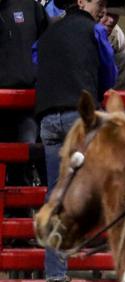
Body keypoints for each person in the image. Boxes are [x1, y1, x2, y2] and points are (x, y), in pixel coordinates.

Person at [34, 0, 117, 282]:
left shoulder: (48, 32)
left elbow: (36, 64)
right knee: (97, 184)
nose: (101, 9)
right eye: (99, 3)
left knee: (55, 193)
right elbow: (110, 74)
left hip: (47, 119)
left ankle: (54, 271)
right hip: (77, 116)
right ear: (83, 3)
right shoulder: (94, 30)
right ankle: (102, 257)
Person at [0, 0, 49, 188]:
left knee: (23, 159)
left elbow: (47, 44)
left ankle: (21, 212)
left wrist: (37, 76)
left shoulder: (30, 7)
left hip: (26, 101)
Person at [100, 2, 125, 90]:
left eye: (116, 15)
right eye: (108, 14)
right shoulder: (84, 30)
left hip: (109, 87)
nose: (112, 20)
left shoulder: (117, 35)